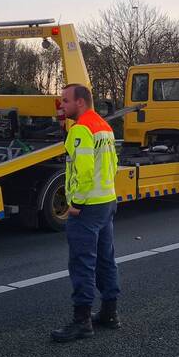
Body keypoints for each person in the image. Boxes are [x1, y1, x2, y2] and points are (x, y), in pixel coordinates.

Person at [51, 83, 122, 342]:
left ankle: (82, 322)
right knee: (106, 259)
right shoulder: (104, 126)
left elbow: (83, 170)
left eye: (65, 100)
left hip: (87, 207)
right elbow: (113, 164)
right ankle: (109, 313)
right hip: (106, 201)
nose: (62, 105)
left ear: (80, 102)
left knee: (82, 263)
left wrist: (76, 204)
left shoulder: (81, 129)